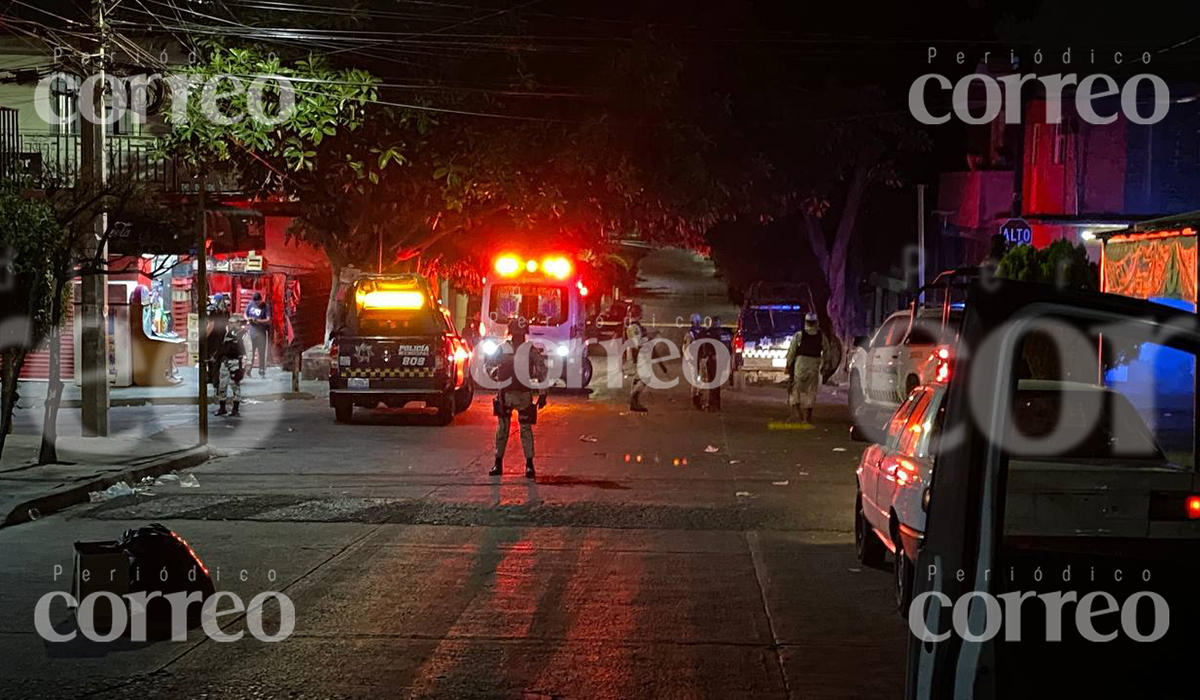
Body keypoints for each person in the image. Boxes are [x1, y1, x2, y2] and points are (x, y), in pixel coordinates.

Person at [488, 318, 548, 478]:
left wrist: (543, 394)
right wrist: (497, 375)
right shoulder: (506, 349)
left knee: (524, 430)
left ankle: (528, 465)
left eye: (520, 334)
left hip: (522, 394)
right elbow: (489, 365)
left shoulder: (529, 350)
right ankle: (498, 463)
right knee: (503, 430)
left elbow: (542, 371)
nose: (519, 337)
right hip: (506, 394)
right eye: (517, 334)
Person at [785, 312, 829, 424]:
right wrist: (825, 365)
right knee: (811, 390)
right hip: (814, 364)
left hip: (801, 365)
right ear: (816, 323)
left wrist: (788, 365)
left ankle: (797, 414)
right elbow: (827, 351)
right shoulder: (821, 336)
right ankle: (807, 416)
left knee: (795, 388)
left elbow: (791, 352)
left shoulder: (799, 335)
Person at [215, 317, 247, 417]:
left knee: (235, 384)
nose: (230, 324)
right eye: (229, 323)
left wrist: (246, 364)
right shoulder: (226, 333)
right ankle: (222, 407)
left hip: (236, 361)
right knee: (222, 385)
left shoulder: (243, 334)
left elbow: (247, 348)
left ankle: (235, 409)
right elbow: (222, 347)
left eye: (232, 323)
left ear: (237, 323)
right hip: (225, 361)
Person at [625, 304, 650, 412]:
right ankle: (633, 398)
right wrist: (648, 338)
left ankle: (635, 402)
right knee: (645, 379)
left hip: (637, 354)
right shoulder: (633, 327)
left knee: (638, 378)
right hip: (637, 355)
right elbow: (637, 342)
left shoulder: (635, 326)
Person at [246, 291, 271, 378]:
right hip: (252, 332)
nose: (257, 304)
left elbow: (268, 319)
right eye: (255, 302)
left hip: (261, 333)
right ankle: (248, 371)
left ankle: (261, 371)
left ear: (261, 300)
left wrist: (258, 321)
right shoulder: (250, 304)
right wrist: (249, 319)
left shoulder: (265, 306)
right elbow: (245, 314)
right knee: (250, 352)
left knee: (261, 353)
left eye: (258, 302)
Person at [683, 313, 705, 409]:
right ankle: (695, 399)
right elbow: (685, 348)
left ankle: (699, 395)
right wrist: (689, 359)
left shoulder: (701, 332)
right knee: (695, 381)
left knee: (703, 379)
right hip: (694, 359)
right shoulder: (690, 334)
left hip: (701, 358)